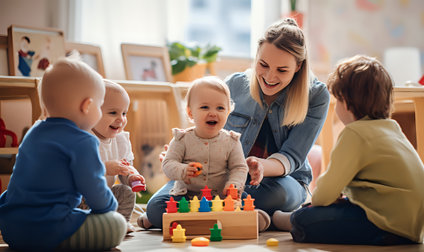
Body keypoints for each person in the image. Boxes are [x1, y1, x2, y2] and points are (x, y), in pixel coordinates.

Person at [272, 55, 424, 245]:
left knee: (307, 219)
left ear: (347, 103)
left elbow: (325, 192)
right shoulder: (392, 128)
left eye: (337, 100)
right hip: (412, 225)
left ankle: (289, 220)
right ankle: (295, 216)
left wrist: (319, 202)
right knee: (336, 207)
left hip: (384, 224)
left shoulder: (354, 134)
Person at [0, 58, 127, 251]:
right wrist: (109, 211)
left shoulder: (33, 133)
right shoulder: (84, 141)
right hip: (49, 229)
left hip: (12, 230)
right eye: (99, 106)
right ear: (87, 106)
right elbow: (96, 194)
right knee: (116, 224)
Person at [223, 18, 330, 220]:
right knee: (159, 208)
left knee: (275, 195)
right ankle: (250, 213)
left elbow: (292, 156)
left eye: (282, 70)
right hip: (229, 177)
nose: (270, 77)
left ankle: (227, 204)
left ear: (298, 66)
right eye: (263, 64)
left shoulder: (316, 96)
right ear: (256, 57)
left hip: (284, 180)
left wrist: (261, 166)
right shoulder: (234, 85)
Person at [138, 76, 263, 230]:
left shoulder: (232, 141)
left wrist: (234, 185)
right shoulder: (181, 139)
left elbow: (239, 167)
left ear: (228, 111)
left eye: (220, 108)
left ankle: (249, 218)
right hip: (186, 195)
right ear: (190, 113)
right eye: (205, 107)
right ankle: (160, 218)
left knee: (245, 200)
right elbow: (168, 164)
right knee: (156, 207)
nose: (213, 113)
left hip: (220, 196)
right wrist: (183, 170)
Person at [91, 79, 146, 233]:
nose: (121, 119)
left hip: (105, 194)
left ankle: (121, 221)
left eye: (124, 113)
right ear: (92, 111)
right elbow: (79, 171)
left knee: (125, 192)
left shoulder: (120, 139)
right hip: (82, 197)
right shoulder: (85, 137)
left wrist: (131, 176)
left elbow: (126, 166)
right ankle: (93, 223)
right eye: (113, 112)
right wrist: (105, 168)